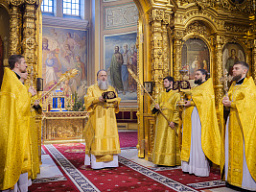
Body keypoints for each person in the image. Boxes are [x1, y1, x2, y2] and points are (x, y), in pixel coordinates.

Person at [0, 55, 36, 191]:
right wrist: (30, 95)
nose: (26, 65)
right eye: (24, 63)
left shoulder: (14, 79)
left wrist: (30, 98)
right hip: (14, 126)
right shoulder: (11, 80)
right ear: (16, 65)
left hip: (19, 125)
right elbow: (19, 107)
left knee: (22, 158)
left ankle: (21, 188)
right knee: (15, 156)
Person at [222, 61, 256, 191]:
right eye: (233, 68)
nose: (233, 71)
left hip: (244, 124)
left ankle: (245, 182)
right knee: (230, 148)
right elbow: (228, 100)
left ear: (244, 71)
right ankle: (231, 179)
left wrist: (232, 104)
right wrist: (224, 102)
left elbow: (249, 105)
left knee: (243, 150)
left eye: (236, 68)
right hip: (232, 121)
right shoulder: (233, 85)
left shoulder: (249, 86)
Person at [181, 69, 221, 177]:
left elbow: (206, 101)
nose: (195, 76)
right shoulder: (196, 87)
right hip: (191, 118)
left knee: (198, 141)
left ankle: (199, 168)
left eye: (198, 74)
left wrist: (192, 102)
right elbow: (193, 95)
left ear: (204, 75)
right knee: (191, 140)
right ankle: (189, 167)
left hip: (200, 118)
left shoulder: (208, 85)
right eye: (195, 74)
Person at [84, 70, 121, 169]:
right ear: (97, 77)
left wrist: (116, 101)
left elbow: (117, 100)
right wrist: (97, 99)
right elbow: (87, 100)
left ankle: (112, 163)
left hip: (110, 119)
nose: (103, 77)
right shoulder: (92, 88)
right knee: (97, 138)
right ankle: (97, 164)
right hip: (97, 119)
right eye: (101, 76)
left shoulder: (111, 88)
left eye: (105, 75)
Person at [151, 76, 180, 166]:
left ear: (171, 82)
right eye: (164, 82)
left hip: (170, 121)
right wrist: (156, 107)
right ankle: (159, 160)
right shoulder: (161, 94)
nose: (164, 84)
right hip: (161, 121)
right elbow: (154, 105)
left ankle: (170, 161)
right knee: (160, 140)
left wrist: (174, 122)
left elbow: (177, 109)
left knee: (169, 140)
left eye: (166, 82)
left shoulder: (176, 95)